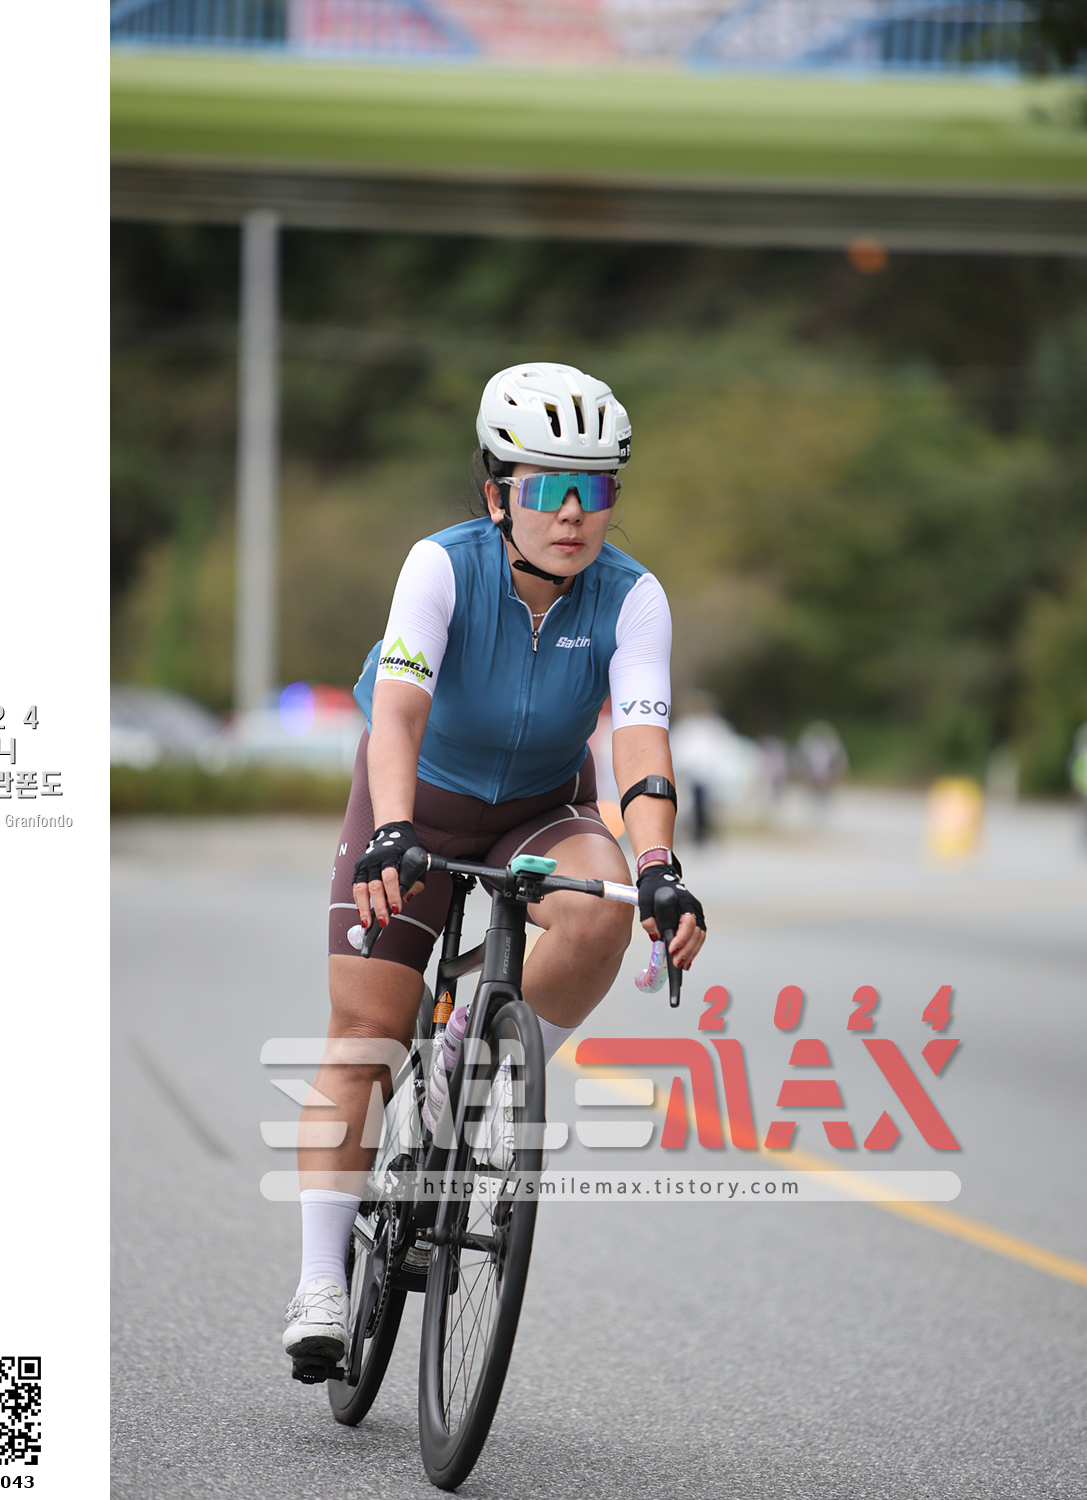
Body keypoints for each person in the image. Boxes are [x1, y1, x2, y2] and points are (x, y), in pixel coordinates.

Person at [283, 362, 708, 1370]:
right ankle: (320, 1281)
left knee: (601, 910)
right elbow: (397, 716)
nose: (572, 512)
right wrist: (393, 829)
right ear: (496, 493)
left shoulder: (633, 596)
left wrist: (659, 865)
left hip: (539, 809)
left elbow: (640, 740)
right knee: (366, 1031)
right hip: (417, 798)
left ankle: (469, 1059)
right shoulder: (441, 567)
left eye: (593, 488)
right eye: (546, 486)